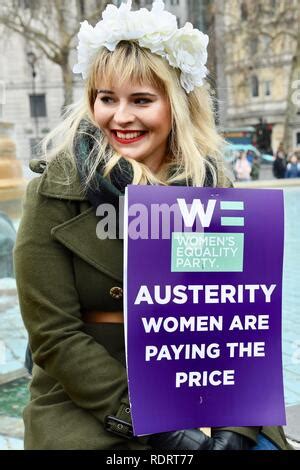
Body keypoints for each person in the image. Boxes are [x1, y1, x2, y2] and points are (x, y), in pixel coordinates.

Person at [14, 0, 291, 450]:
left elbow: (237, 321)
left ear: (178, 105)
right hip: (93, 403)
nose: (120, 117)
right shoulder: (54, 193)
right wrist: (159, 424)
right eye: (107, 99)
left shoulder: (212, 184)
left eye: (141, 100)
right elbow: (54, 336)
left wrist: (237, 426)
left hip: (210, 389)